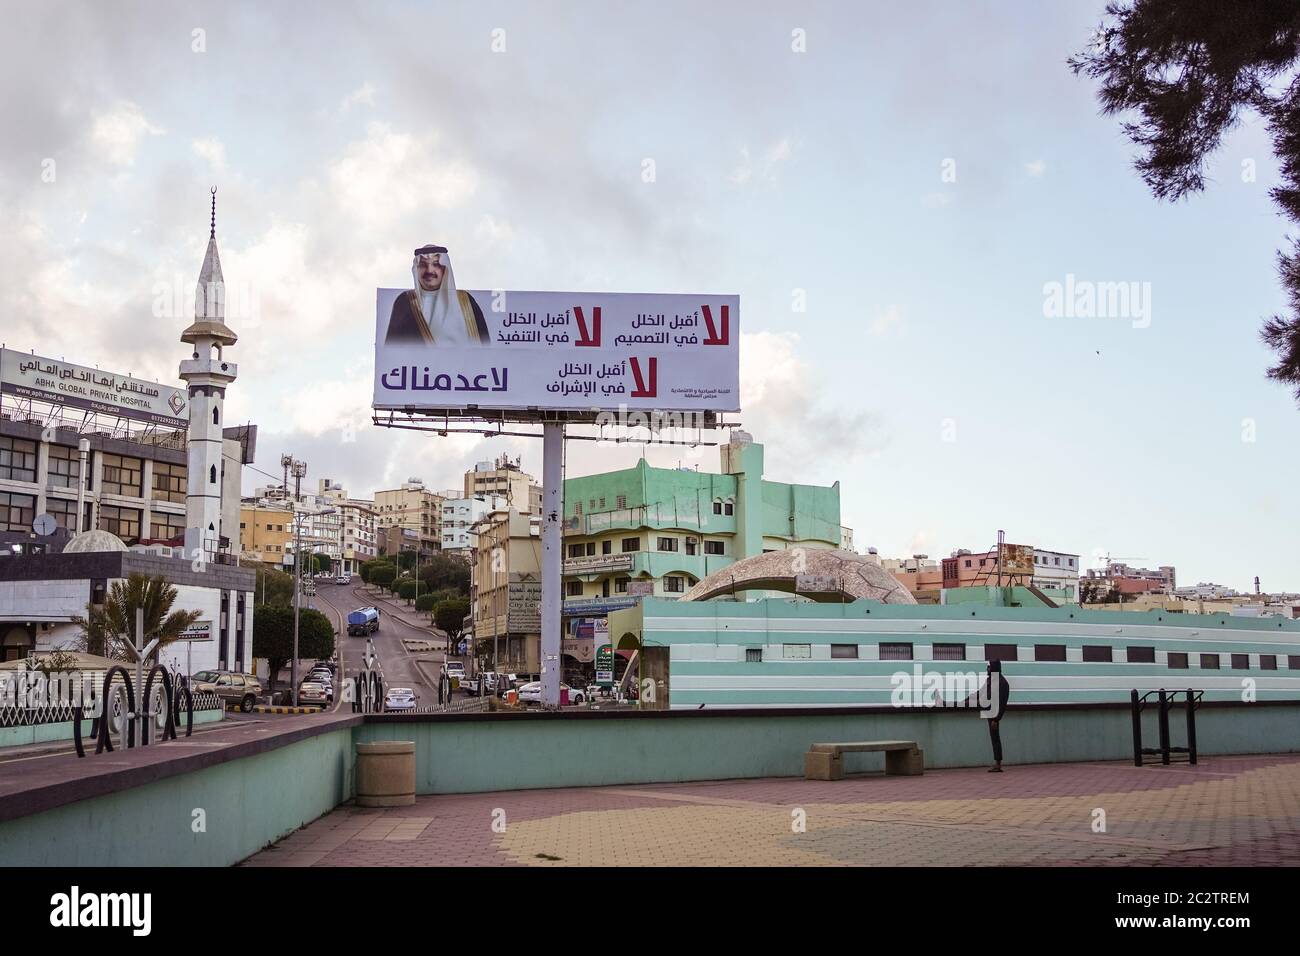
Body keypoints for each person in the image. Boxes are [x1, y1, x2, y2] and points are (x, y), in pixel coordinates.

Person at [385, 244, 490, 345]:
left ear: (445, 269)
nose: (429, 270)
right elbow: (393, 351)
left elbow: (486, 348)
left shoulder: (466, 301)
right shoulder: (405, 302)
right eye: (423, 265)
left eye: (436, 264)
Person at [983, 659, 1012, 772]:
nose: (987, 669)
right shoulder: (991, 680)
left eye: (989, 667)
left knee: (995, 738)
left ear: (994, 668)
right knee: (994, 738)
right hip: (989, 711)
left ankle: (998, 763)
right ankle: (997, 763)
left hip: (994, 714)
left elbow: (1002, 702)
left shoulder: (1001, 683)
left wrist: (996, 718)